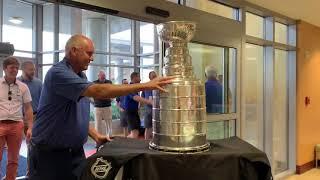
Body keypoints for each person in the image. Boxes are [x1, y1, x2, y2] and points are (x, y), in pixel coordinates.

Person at [29, 34, 173, 180]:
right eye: (89, 53)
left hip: (75, 153)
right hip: (50, 155)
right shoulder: (58, 74)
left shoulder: (81, 76)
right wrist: (146, 85)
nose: (92, 58)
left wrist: (96, 135)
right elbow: (100, 91)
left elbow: (77, 114)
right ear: (73, 51)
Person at [0, 57, 33, 180]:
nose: (14, 70)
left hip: (16, 126)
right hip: (0, 124)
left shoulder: (23, 87)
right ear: (4, 69)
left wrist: (30, 127)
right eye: (11, 67)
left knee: (13, 159)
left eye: (16, 67)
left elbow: (28, 108)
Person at [17, 60, 42, 178]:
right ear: (23, 69)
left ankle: (30, 172)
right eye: (31, 69)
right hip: (19, 117)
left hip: (36, 117)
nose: (33, 71)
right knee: (15, 146)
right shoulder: (16, 82)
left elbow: (44, 101)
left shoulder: (38, 83)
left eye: (34, 69)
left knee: (32, 145)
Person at [124, 72, 153, 139]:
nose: (140, 80)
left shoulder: (134, 88)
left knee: (135, 132)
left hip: (134, 112)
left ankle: (124, 142)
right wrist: (149, 102)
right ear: (134, 78)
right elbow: (136, 98)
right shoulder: (130, 87)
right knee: (135, 133)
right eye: (139, 77)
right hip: (130, 113)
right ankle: (125, 144)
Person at [93, 70, 113, 137]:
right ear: (98, 76)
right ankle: (98, 140)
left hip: (107, 106)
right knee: (98, 125)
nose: (103, 78)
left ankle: (109, 138)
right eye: (102, 77)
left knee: (109, 124)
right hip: (98, 107)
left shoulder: (109, 82)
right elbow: (93, 94)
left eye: (104, 77)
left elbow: (111, 93)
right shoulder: (94, 83)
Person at [141, 71, 157, 139]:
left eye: (155, 76)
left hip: (156, 110)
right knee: (148, 127)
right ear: (149, 77)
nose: (154, 78)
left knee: (156, 127)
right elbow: (142, 98)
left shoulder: (158, 86)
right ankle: (146, 141)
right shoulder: (146, 87)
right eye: (153, 77)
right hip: (148, 110)